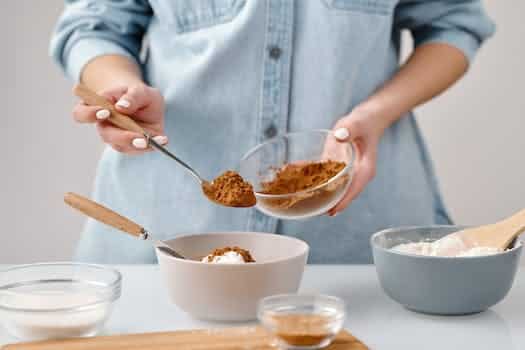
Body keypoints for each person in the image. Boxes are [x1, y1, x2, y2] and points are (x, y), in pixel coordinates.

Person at [50, 0, 494, 264]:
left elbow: (455, 25)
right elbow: (93, 25)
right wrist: (120, 90)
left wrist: (377, 112)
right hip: (164, 233)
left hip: (351, 249)